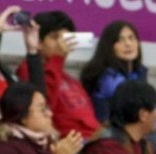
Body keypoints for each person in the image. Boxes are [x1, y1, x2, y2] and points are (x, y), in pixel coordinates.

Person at [19, 11, 98, 140]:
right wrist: (58, 59)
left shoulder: (70, 80)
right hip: (68, 144)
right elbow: (44, 104)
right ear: (38, 42)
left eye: (65, 38)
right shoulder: (28, 71)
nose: (61, 44)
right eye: (55, 37)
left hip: (92, 141)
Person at [80, 20, 148, 123]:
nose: (128, 44)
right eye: (120, 40)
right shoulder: (108, 78)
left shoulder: (139, 73)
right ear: (109, 46)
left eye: (131, 38)